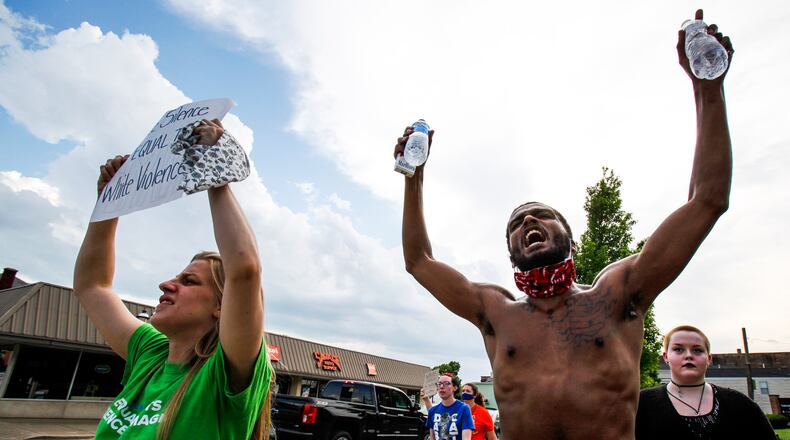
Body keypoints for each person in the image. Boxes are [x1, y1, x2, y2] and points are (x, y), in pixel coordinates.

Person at [396, 9, 734, 440]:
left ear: (570, 238)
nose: (529, 222)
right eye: (516, 224)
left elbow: (707, 200)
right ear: (511, 251)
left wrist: (708, 90)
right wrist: (414, 177)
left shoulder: (619, 293)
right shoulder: (494, 311)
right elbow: (418, 260)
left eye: (542, 215)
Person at [74, 119, 272, 439]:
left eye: (189, 281)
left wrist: (213, 171)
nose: (166, 284)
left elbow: (245, 269)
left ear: (222, 307)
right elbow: (92, 286)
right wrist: (107, 204)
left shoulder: (224, 371)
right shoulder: (150, 354)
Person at [636, 325, 776, 439]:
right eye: (678, 349)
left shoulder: (740, 404)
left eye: (697, 350)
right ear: (666, 357)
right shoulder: (641, 404)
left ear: (709, 359)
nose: (689, 355)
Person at [426, 375, 474, 440]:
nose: (441, 386)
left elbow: (466, 438)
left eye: (446, 383)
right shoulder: (432, 411)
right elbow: (432, 437)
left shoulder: (464, 409)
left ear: (455, 388)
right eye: (439, 384)